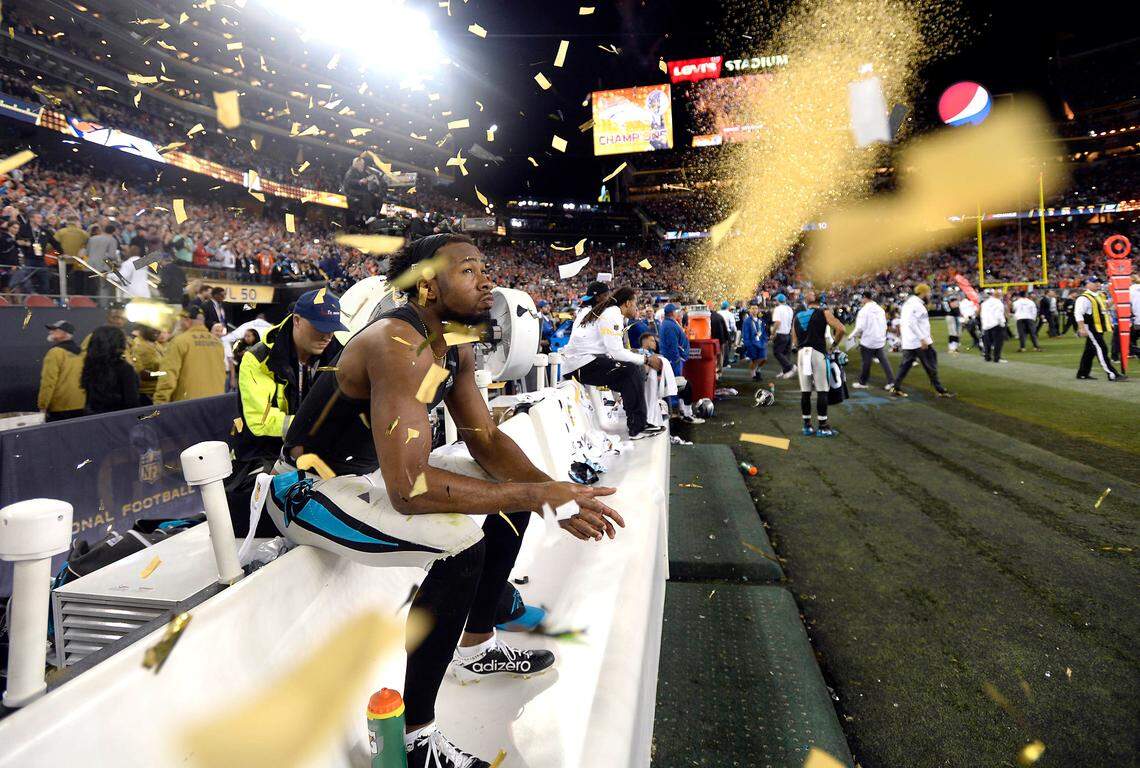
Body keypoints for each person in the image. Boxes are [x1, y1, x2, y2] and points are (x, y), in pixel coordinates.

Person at [268, 234, 624, 768]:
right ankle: (413, 741)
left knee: (512, 485)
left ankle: (476, 649)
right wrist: (537, 491)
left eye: (485, 268)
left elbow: (483, 437)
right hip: (304, 488)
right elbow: (410, 490)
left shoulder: (452, 338)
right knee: (462, 541)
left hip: (368, 479)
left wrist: (552, 494)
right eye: (469, 271)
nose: (486, 280)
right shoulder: (397, 343)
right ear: (428, 285)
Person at [229, 289, 347, 533]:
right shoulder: (257, 359)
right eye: (319, 326)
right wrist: (314, 428)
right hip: (263, 455)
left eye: (332, 327)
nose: (327, 335)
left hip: (314, 455)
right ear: (297, 320)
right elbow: (259, 422)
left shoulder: (340, 355)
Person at [561, 285, 665, 440]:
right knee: (632, 371)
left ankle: (636, 419)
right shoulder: (612, 314)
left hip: (580, 363)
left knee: (629, 372)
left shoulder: (605, 312)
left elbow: (611, 351)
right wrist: (646, 359)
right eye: (635, 304)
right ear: (628, 303)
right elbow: (616, 352)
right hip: (579, 365)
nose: (637, 308)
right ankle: (637, 427)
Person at [792, 290, 845, 436]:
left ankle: (807, 426)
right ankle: (822, 426)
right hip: (818, 353)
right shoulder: (824, 312)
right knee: (822, 390)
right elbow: (841, 329)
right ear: (820, 301)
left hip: (802, 354)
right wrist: (833, 346)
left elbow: (794, 340)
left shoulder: (798, 316)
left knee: (805, 391)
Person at [890, 284, 955, 399]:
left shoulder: (908, 303)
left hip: (909, 341)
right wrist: (923, 338)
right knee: (931, 365)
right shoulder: (917, 305)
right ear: (923, 293)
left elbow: (913, 323)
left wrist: (927, 336)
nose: (929, 295)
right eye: (928, 293)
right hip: (918, 342)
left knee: (905, 367)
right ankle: (940, 390)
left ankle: (896, 387)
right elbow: (912, 323)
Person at [152, 306, 226, 403]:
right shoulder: (217, 342)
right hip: (216, 402)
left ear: (186, 321)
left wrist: (159, 402)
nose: (179, 324)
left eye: (180, 321)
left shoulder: (179, 341)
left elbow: (168, 374)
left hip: (188, 405)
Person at [81, 325, 140, 414]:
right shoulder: (125, 369)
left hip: (94, 418)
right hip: (119, 419)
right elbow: (132, 402)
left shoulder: (89, 365)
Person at [659, 302, 702, 423]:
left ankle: (680, 411)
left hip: (673, 360)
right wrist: (677, 359)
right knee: (678, 386)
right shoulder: (669, 325)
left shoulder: (668, 323)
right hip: (673, 361)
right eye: (676, 311)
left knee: (679, 385)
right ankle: (677, 414)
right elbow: (672, 345)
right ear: (672, 313)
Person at [1074, 275, 1121, 381]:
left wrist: (1115, 296)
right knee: (1102, 349)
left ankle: (1083, 373)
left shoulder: (1099, 295)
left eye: (1098, 282)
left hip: (1099, 328)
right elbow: (1078, 314)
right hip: (1091, 328)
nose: (1098, 284)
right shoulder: (1083, 298)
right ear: (1087, 284)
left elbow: (1106, 306)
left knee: (1089, 351)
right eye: (1095, 282)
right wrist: (1081, 328)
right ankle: (1112, 374)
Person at [37, 320, 86, 421]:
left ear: (64, 333)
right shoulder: (82, 353)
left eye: (55, 330)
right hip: (82, 405)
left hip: (60, 407)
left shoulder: (54, 353)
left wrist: (43, 405)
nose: (50, 332)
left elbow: (48, 382)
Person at [850, 293, 895, 390]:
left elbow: (859, 327)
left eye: (862, 298)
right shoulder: (880, 309)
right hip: (879, 340)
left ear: (865, 298)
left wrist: (851, 336)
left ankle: (862, 382)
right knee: (884, 361)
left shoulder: (864, 310)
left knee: (866, 362)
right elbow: (885, 325)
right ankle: (891, 382)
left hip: (868, 340)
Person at [129, 324, 165, 405]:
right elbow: (142, 374)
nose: (156, 330)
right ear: (142, 328)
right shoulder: (137, 346)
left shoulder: (157, 344)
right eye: (152, 327)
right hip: (146, 396)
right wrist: (164, 373)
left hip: (159, 391)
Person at [771, 293, 796, 378]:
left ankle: (790, 367)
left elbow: (778, 322)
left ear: (778, 300)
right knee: (785, 353)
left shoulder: (778, 309)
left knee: (777, 352)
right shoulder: (789, 308)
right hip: (788, 334)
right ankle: (786, 371)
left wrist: (772, 333)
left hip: (781, 334)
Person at [741, 300, 767, 381]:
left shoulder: (760, 320)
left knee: (764, 359)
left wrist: (765, 340)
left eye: (756, 308)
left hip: (761, 343)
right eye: (752, 308)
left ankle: (758, 370)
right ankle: (753, 374)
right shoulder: (747, 321)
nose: (754, 310)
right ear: (750, 310)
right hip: (752, 343)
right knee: (754, 360)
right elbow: (745, 333)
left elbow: (763, 331)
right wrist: (748, 344)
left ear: (758, 310)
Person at [980, 289, 1008, 363]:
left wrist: (984, 325)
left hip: (986, 325)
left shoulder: (984, 303)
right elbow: (999, 314)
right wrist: (1002, 323)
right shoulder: (998, 303)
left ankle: (987, 357)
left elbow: (982, 315)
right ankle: (997, 358)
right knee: (998, 343)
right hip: (996, 325)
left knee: (987, 343)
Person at [717, 300, 738, 367]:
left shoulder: (718, 313)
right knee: (726, 348)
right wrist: (735, 331)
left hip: (717, 332)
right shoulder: (730, 314)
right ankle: (725, 363)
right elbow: (732, 325)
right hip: (727, 332)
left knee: (718, 348)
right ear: (728, 307)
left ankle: (718, 362)